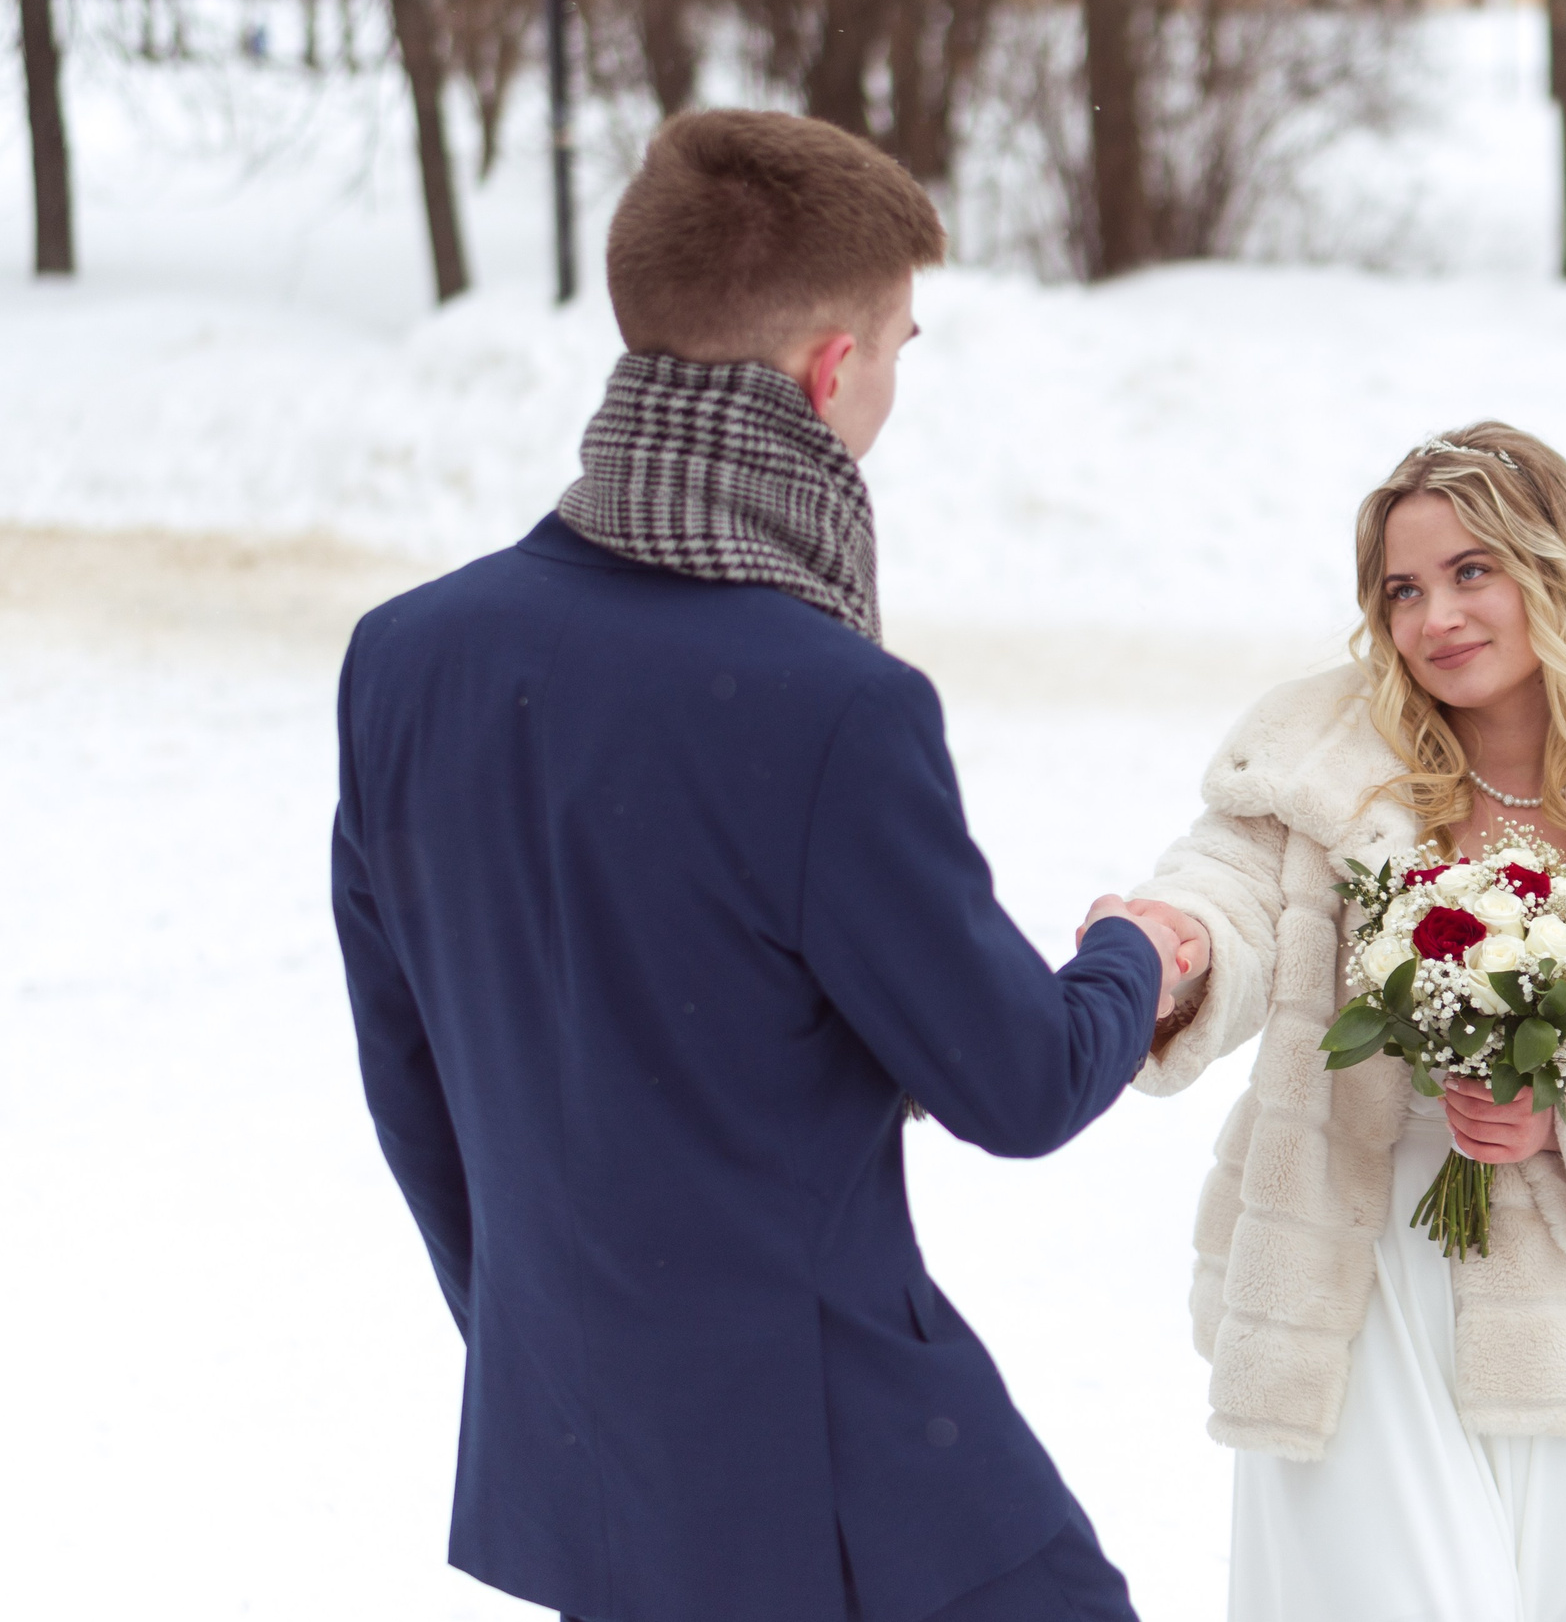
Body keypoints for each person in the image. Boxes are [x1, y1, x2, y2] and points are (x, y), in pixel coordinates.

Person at [331, 110, 1184, 1622]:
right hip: (845, 1477)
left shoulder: (408, 662)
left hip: (600, 1471)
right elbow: (1020, 1078)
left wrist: (584, 1374)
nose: (894, 394)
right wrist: (1140, 952)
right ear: (831, 371)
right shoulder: (830, 706)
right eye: (901, 348)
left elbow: (416, 1091)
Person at [1123, 425, 1566, 1621]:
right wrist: (1171, 946)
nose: (1434, 617)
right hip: (1355, 1280)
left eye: (1471, 572)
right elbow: (1226, 892)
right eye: (1402, 589)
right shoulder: (1325, 764)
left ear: (1552, 571)